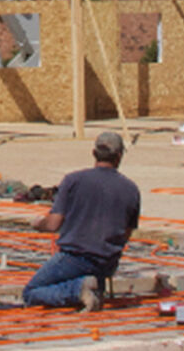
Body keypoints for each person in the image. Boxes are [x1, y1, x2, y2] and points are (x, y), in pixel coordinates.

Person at [22, 131, 141, 311]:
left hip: (75, 258)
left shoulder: (74, 181)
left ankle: (78, 289)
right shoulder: (131, 190)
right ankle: (88, 289)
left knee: (31, 292)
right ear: (119, 156)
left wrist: (38, 224)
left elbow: (54, 224)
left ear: (94, 153)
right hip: (106, 264)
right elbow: (125, 234)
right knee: (82, 284)